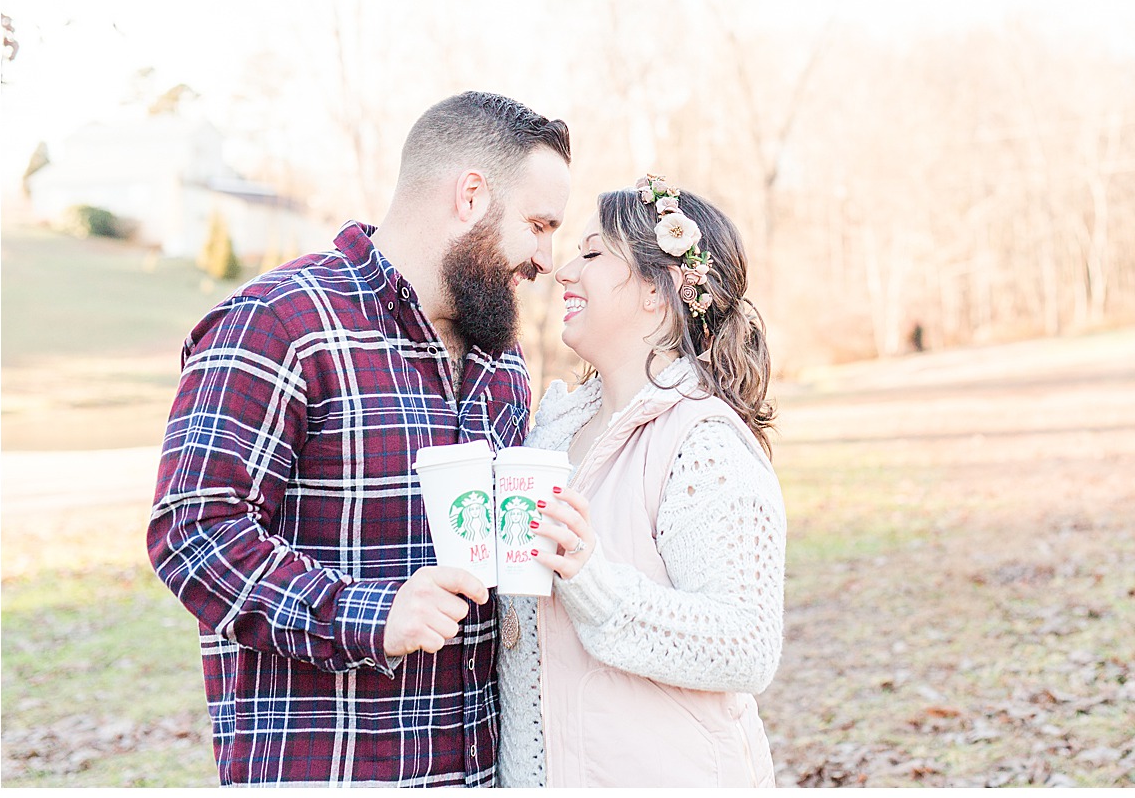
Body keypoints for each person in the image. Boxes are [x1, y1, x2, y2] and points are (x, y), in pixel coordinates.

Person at [147, 91, 571, 786]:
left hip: (481, 772)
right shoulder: (280, 320)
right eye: (538, 223)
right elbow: (193, 534)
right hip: (331, 770)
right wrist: (371, 614)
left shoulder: (502, 359)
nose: (547, 258)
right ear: (470, 195)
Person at [496, 174, 787, 788]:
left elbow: (747, 644)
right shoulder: (549, 431)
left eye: (593, 253)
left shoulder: (702, 442)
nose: (564, 271)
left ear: (658, 291)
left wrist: (593, 579)